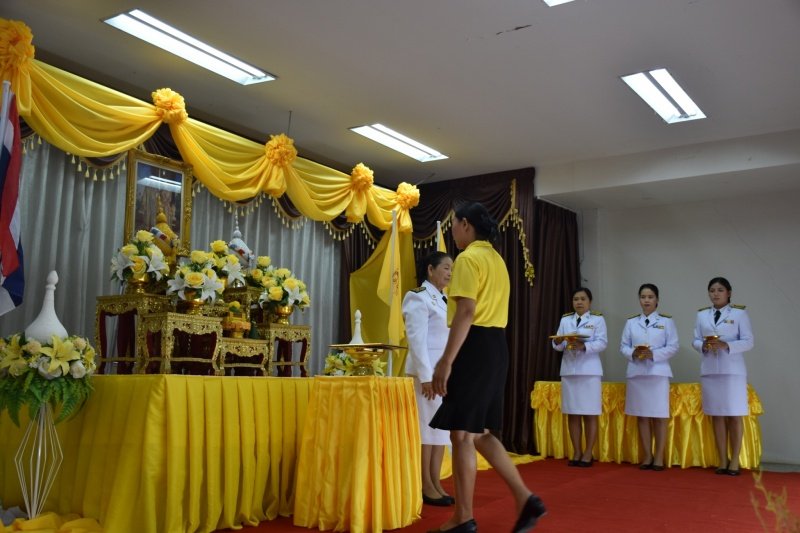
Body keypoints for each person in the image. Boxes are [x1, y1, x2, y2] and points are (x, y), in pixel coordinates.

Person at [429, 202, 545, 533]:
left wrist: (446, 361)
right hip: (497, 347)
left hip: (475, 346)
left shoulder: (468, 258)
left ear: (466, 225)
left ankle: (463, 517)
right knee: (478, 433)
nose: (453, 230)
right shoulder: (496, 259)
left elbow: (466, 311)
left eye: (455, 224)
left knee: (462, 433)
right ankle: (525, 498)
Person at [402, 251, 455, 507]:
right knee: (427, 430)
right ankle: (425, 483)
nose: (449, 272)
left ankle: (435, 481)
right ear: (430, 270)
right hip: (427, 374)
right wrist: (425, 377)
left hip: (443, 374)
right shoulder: (418, 297)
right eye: (445, 267)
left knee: (440, 431)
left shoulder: (445, 300)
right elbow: (416, 340)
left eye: (451, 268)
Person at [692, 277, 754, 476]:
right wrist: (702, 345)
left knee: (734, 415)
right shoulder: (702, 315)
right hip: (710, 369)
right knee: (717, 415)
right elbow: (695, 338)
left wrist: (727, 345)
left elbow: (748, 341)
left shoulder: (739, 314)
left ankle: (734, 460)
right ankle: (722, 459)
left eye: (720, 290)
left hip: (732, 372)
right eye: (712, 290)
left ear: (729, 293)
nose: (715, 294)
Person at [620, 283, 679, 471]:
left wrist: (653, 354)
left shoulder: (666, 321)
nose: (646, 300)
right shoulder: (631, 322)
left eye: (650, 297)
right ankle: (647, 456)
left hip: (657, 373)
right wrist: (634, 354)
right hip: (637, 373)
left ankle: (659, 457)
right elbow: (623, 346)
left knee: (659, 416)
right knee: (642, 416)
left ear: (657, 300)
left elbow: (673, 346)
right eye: (643, 297)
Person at [552, 287, 607, 468]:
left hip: (590, 371)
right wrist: (558, 342)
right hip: (569, 371)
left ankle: (588, 452)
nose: (579, 302)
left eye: (583, 299)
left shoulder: (597, 319)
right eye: (576, 299)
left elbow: (602, 342)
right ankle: (576, 451)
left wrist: (584, 347)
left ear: (589, 302)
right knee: (573, 413)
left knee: (590, 413)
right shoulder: (566, 319)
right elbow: (557, 344)